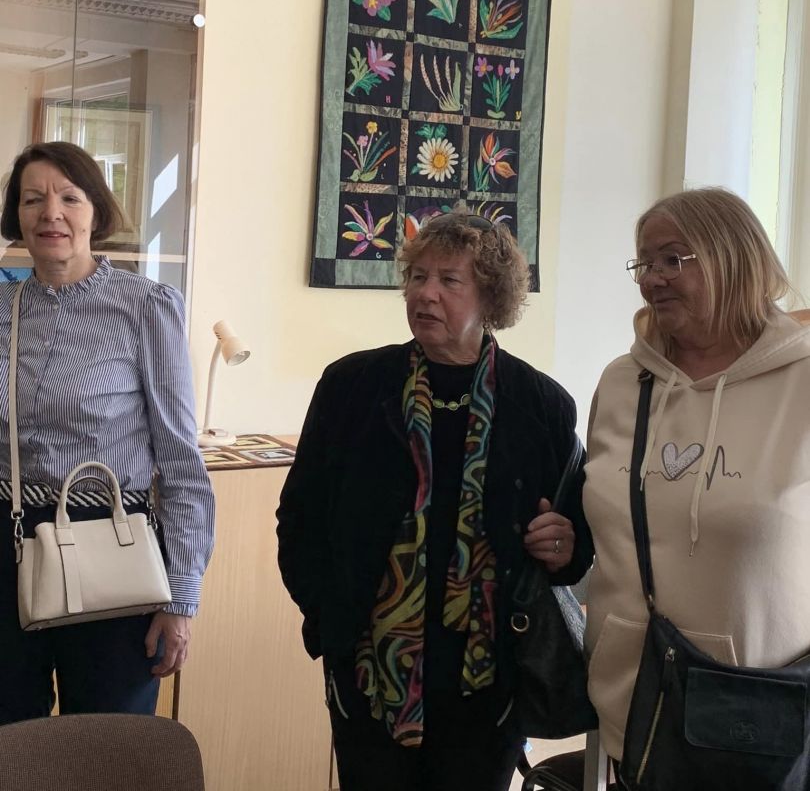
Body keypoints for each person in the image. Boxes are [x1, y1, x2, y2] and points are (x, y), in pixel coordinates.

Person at [277, 209, 591, 791]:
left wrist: (565, 547)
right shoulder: (351, 386)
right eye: (418, 277)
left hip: (490, 682)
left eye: (449, 280)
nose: (425, 293)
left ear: (491, 297)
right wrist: (329, 619)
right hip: (370, 674)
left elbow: (575, 545)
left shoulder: (541, 405)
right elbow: (298, 518)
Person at [583, 187, 810, 764]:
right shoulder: (622, 382)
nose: (651, 279)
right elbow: (605, 510)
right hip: (633, 705)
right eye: (644, 263)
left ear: (734, 257)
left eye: (672, 259)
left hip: (758, 714)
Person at [0, 141, 215, 724]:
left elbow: (180, 461)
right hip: (10, 539)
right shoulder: (4, 308)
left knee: (106, 743)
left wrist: (181, 596)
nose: (51, 213)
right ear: (16, 215)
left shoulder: (146, 306)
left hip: (114, 545)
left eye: (69, 198)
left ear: (95, 210)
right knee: (11, 739)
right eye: (33, 199)